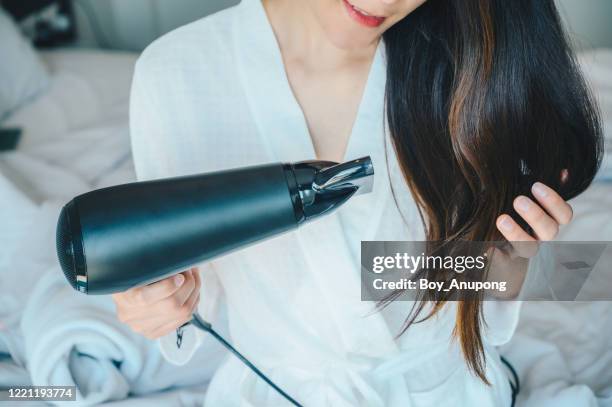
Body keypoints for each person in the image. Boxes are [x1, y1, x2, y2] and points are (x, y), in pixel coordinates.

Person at [113, 0, 602, 405]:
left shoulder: (461, 63)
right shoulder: (174, 75)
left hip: (447, 390)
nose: (386, 3)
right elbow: (192, 296)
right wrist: (158, 304)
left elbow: (401, 278)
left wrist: (508, 261)